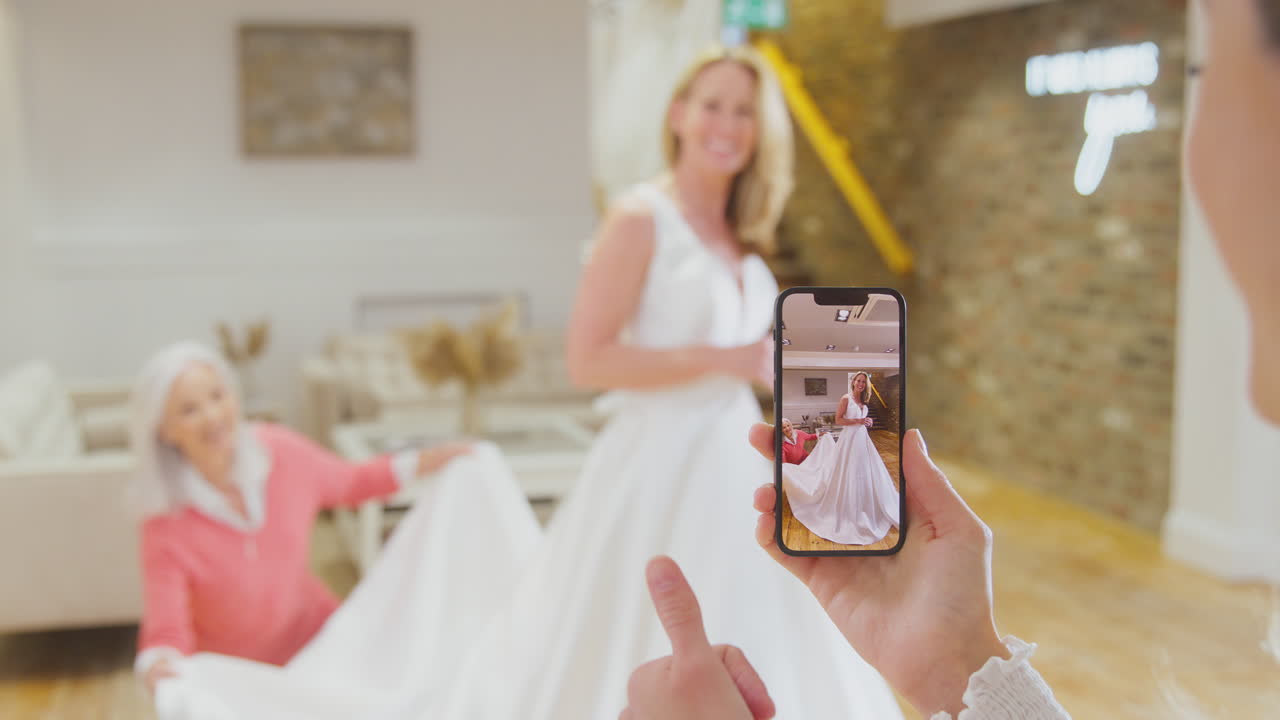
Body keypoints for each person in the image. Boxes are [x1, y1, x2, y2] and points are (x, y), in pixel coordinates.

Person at [620, 0, 1280, 716]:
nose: (728, 125)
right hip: (670, 448)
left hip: (723, 442)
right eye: (712, 105)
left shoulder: (743, 231)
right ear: (678, 113)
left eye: (1203, 68)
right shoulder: (641, 218)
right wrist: (956, 662)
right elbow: (593, 356)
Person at [131, 342, 473, 693]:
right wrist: (159, 664)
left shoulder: (281, 452)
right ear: (165, 430)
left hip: (322, 645)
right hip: (242, 682)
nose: (213, 415)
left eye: (218, 396)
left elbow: (352, 482)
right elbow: (167, 627)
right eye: (189, 409)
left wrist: (426, 461)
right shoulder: (165, 526)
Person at [781, 371, 900, 545]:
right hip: (850, 437)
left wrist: (868, 422)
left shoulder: (864, 400)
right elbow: (839, 419)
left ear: (865, 385)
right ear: (853, 382)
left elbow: (862, 419)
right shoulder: (846, 398)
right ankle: (848, 504)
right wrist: (859, 422)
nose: (860, 383)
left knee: (866, 468)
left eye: (863, 381)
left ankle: (869, 501)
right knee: (849, 468)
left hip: (862, 438)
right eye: (858, 380)